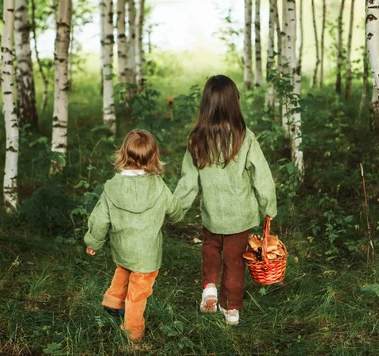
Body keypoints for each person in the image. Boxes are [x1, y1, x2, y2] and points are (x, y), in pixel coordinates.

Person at [174, 75, 277, 325]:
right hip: (240, 218)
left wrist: (174, 210)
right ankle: (231, 310)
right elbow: (261, 176)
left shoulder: (197, 138)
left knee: (210, 250)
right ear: (234, 102)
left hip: (212, 216)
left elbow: (187, 182)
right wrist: (268, 206)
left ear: (205, 104)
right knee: (234, 262)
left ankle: (209, 287)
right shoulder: (244, 136)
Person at [84, 129, 183, 343]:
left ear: (123, 154)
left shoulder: (112, 187)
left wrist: (93, 242)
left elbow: (100, 219)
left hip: (122, 248)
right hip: (147, 255)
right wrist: (178, 214)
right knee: (138, 292)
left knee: (123, 269)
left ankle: (112, 301)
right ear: (153, 157)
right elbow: (174, 209)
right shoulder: (158, 186)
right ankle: (133, 333)